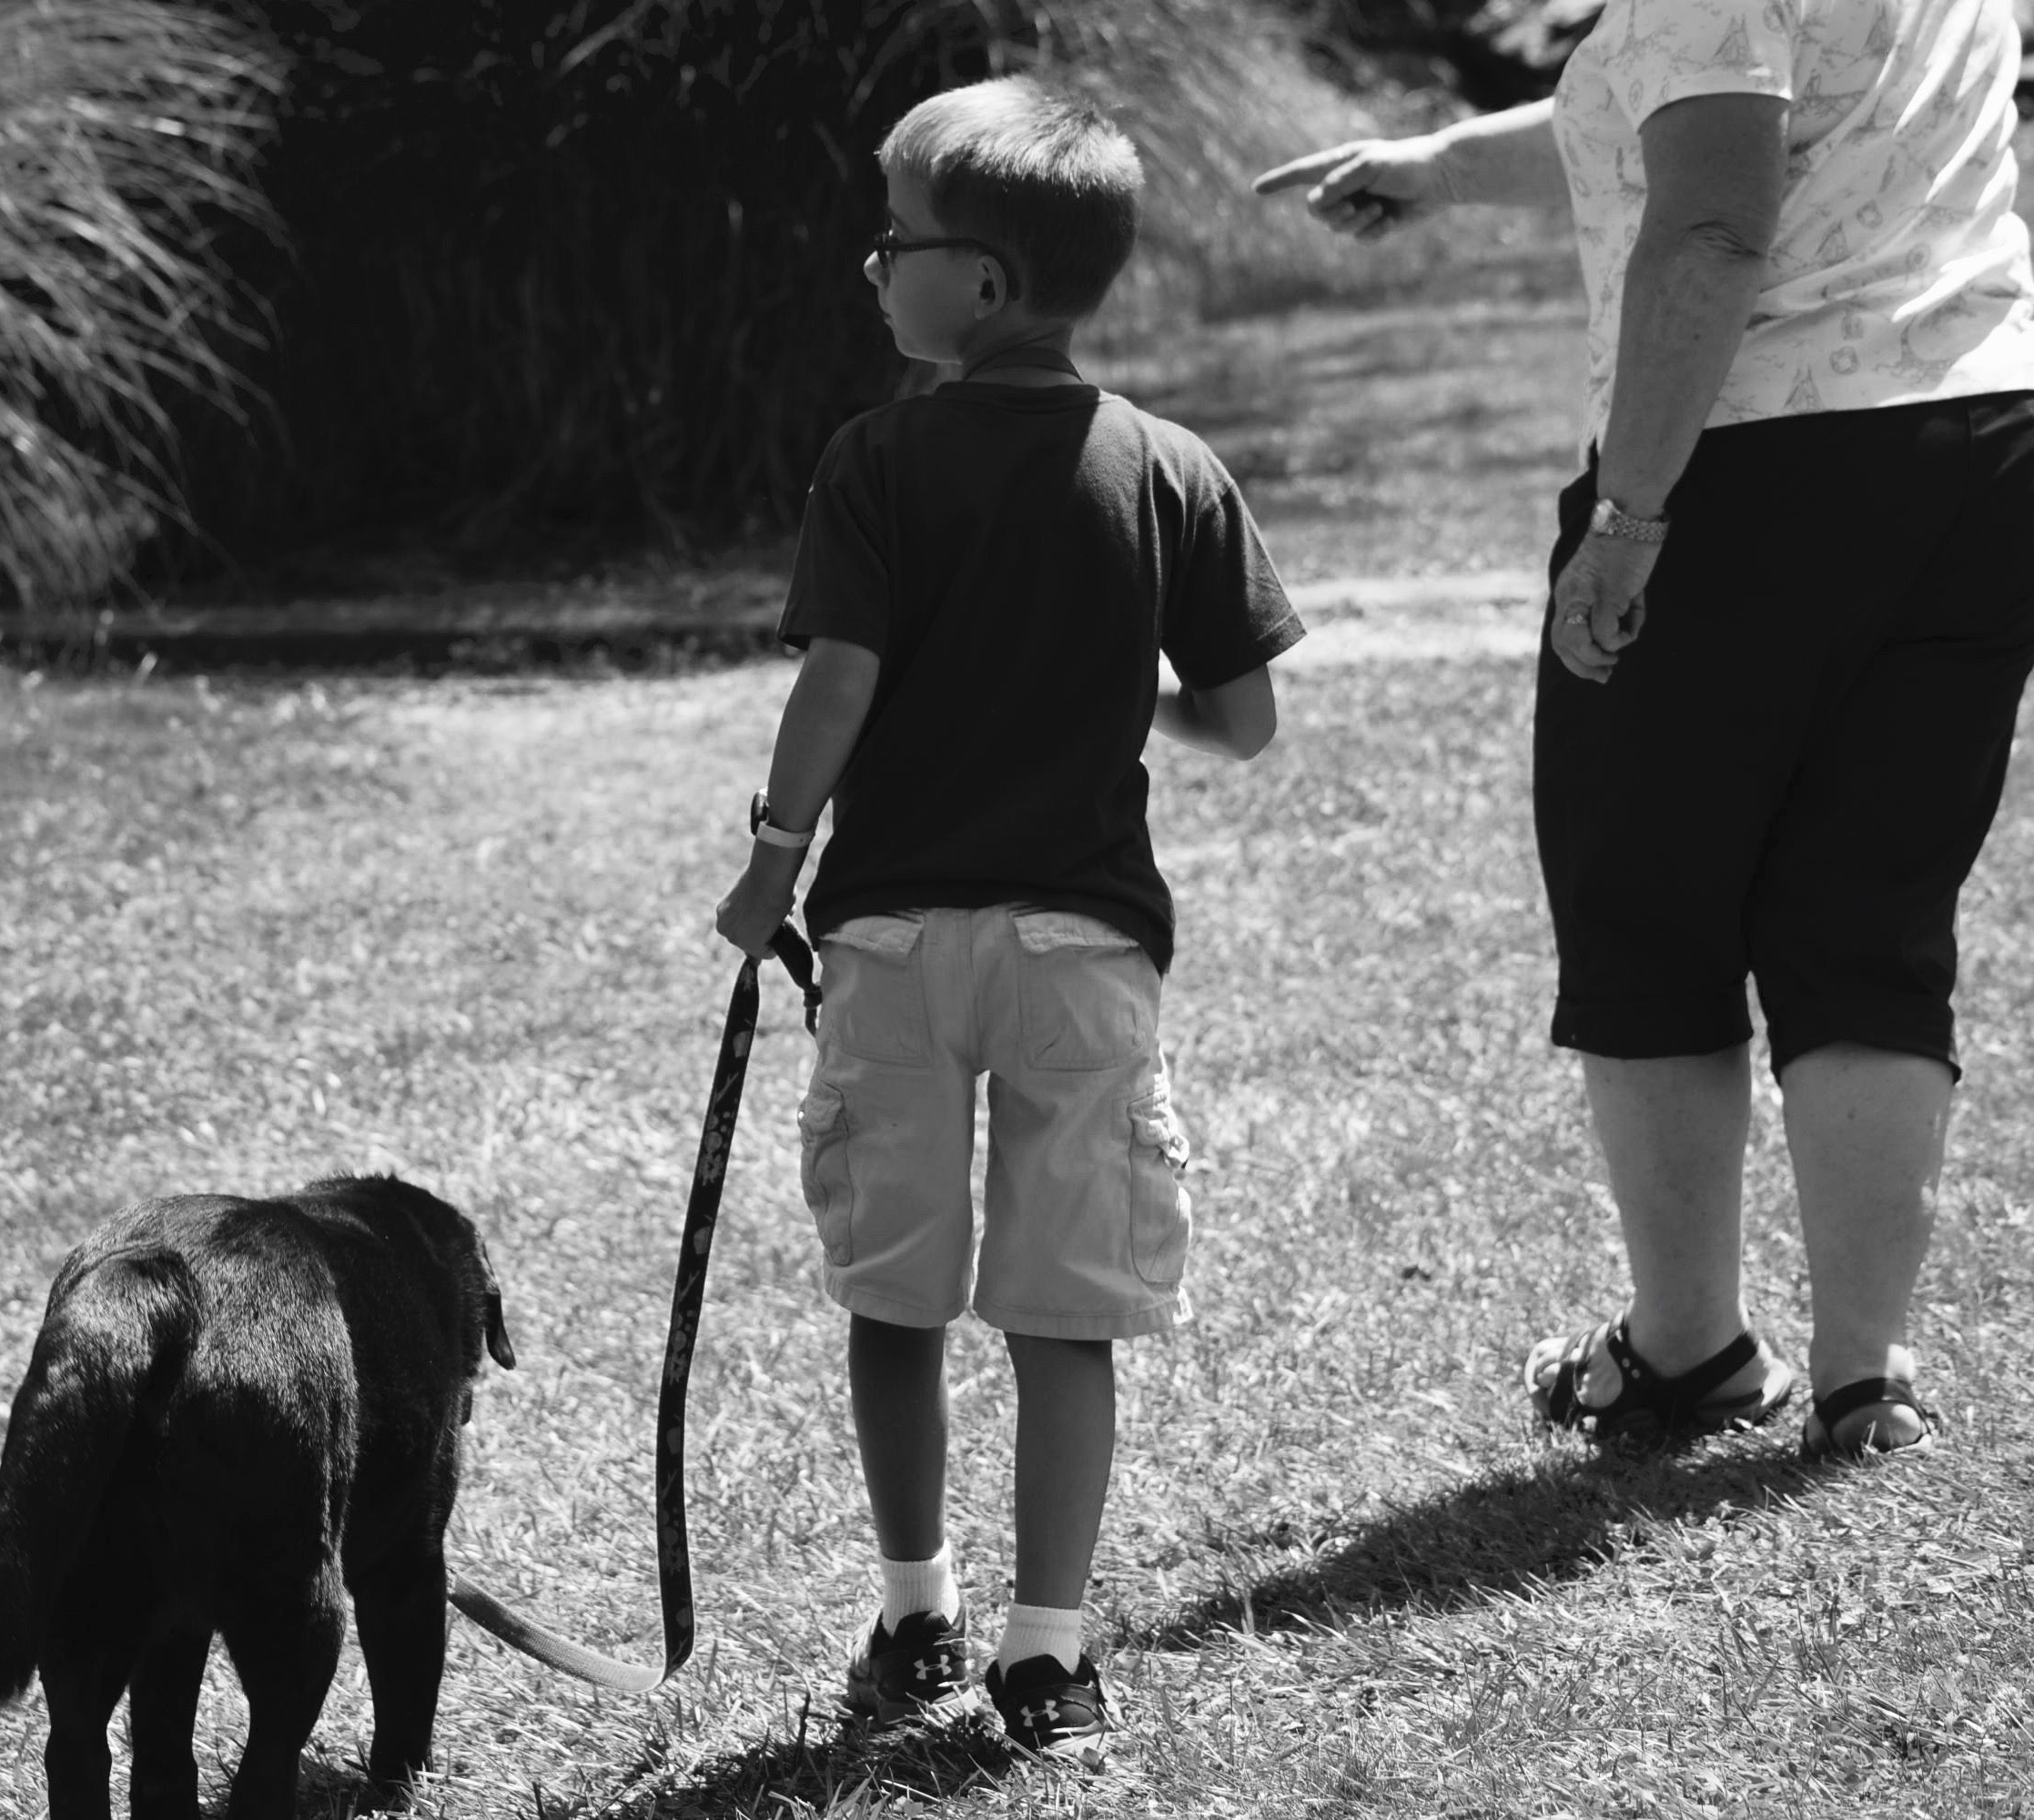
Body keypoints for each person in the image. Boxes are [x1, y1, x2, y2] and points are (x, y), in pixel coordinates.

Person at [1258, 0, 2034, 1458]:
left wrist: (1628, 520)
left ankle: (1687, 1353)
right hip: (1977, 440)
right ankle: (1867, 1376)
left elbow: (1719, 220)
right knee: (1871, 915)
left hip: (1753, 463)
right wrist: (1436, 161)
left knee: (1650, 902)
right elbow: (1694, 107)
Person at [712, 76, 1302, 1758]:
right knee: (1063, 1312)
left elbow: (841, 681)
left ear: (974, 282)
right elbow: (1245, 720)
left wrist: (774, 857)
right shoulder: (1169, 468)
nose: (870, 268)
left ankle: (914, 1610)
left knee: (894, 1296)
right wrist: (1135, 698)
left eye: (890, 242)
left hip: (894, 946)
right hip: (1083, 953)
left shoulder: (877, 459)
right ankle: (1046, 1651)